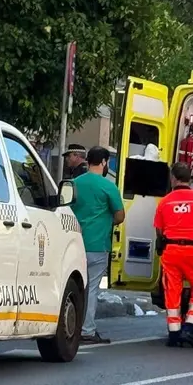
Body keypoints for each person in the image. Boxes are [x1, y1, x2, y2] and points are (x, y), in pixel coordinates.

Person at [154, 162, 193, 348]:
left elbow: (159, 230)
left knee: (172, 291)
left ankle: (174, 333)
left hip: (171, 252)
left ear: (173, 178)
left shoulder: (165, 202)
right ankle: (190, 327)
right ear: (190, 179)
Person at [71, 146, 125, 344]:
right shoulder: (108, 186)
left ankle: (70, 327)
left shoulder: (75, 183)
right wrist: (105, 221)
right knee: (91, 288)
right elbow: (120, 215)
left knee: (73, 287)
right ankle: (87, 329)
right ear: (104, 162)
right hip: (97, 244)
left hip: (74, 243)